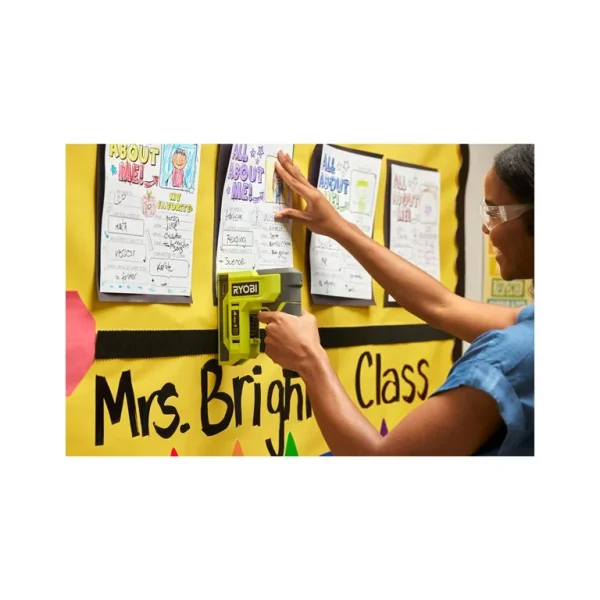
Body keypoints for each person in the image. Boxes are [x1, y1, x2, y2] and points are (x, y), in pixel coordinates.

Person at [258, 145, 534, 456]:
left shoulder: (514, 356)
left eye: (495, 213)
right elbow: (442, 305)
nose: (486, 227)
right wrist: (341, 229)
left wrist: (309, 359)